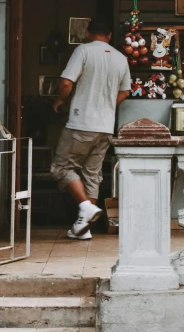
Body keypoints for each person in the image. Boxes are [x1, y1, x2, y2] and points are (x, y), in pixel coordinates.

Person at [50, 17, 131, 240]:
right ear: (110, 36)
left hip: (81, 123)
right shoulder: (120, 58)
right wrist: (105, 106)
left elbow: (66, 82)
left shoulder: (83, 51)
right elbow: (125, 91)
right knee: (92, 174)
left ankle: (85, 207)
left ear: (87, 33)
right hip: (105, 127)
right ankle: (83, 228)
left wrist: (60, 101)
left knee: (61, 167)